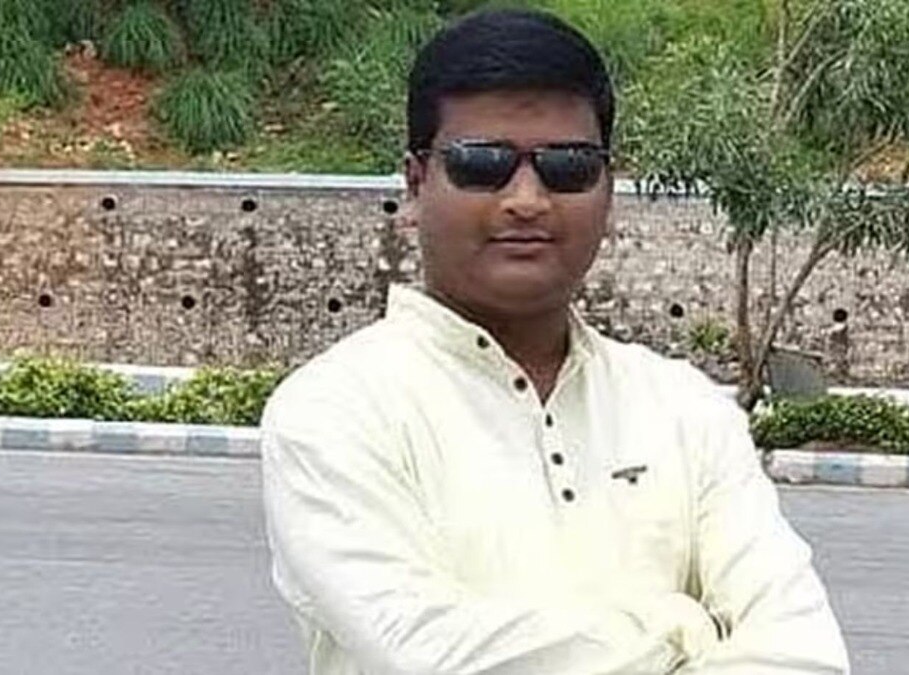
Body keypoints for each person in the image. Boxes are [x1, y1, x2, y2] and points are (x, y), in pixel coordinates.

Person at [261, 8, 849, 674]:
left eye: (567, 166)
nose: (527, 199)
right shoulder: (335, 411)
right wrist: (682, 629)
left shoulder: (686, 410)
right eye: (483, 164)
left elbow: (805, 653)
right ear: (416, 185)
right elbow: (428, 655)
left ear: (608, 189)